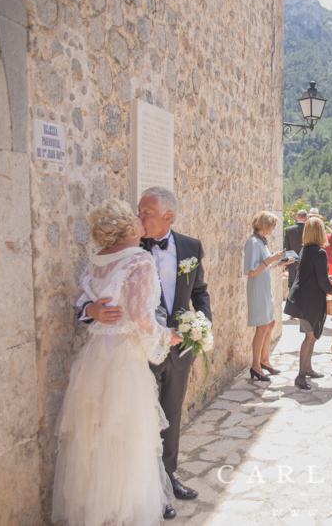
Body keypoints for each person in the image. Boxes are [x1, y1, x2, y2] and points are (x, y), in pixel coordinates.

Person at [80, 186, 212, 516]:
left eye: (146, 212)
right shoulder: (124, 250)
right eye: (138, 211)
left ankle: (168, 480)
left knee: (170, 416)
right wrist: (90, 310)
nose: (139, 217)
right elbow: (93, 293)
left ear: (168, 217)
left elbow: (199, 291)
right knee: (136, 424)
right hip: (136, 353)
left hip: (178, 349)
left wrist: (201, 327)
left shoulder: (191, 248)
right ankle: (148, 493)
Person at [60, 199, 183, 524]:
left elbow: (84, 302)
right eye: (136, 216)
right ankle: (124, 514)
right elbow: (142, 317)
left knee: (97, 438)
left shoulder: (98, 260)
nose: (140, 219)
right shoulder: (139, 260)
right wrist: (166, 336)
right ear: (129, 227)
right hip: (124, 363)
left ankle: (100, 512)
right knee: (128, 440)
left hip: (95, 359)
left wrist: (91, 311)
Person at [284, 217, 332, 389]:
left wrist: (328, 279)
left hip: (302, 299)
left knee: (311, 336)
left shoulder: (306, 250)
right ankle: (300, 376)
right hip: (309, 302)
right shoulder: (319, 252)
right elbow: (322, 281)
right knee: (310, 337)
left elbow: (313, 275)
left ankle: (307, 369)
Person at [244, 211, 294, 381]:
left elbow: (264, 267)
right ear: (265, 224)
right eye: (273, 224)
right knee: (262, 327)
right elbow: (252, 271)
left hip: (265, 289)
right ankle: (255, 366)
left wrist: (280, 263)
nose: (274, 228)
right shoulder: (252, 242)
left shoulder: (261, 242)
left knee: (270, 323)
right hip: (258, 289)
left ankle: (264, 360)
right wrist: (270, 259)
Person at [283, 209, 307, 291]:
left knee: (292, 287)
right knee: (304, 287)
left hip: (292, 262)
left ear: (296, 218)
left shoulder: (289, 230)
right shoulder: (309, 230)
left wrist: (285, 263)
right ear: (306, 218)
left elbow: (286, 247)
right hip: (306, 264)